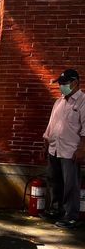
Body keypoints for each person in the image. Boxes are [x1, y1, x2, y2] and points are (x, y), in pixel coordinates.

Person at [42, 69, 85, 229]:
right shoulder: (59, 102)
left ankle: (71, 216)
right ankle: (55, 209)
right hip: (54, 148)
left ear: (74, 83)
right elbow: (52, 123)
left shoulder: (82, 101)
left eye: (64, 83)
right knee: (54, 180)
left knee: (70, 184)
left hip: (70, 150)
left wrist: (82, 149)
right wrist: (46, 140)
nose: (61, 86)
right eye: (60, 83)